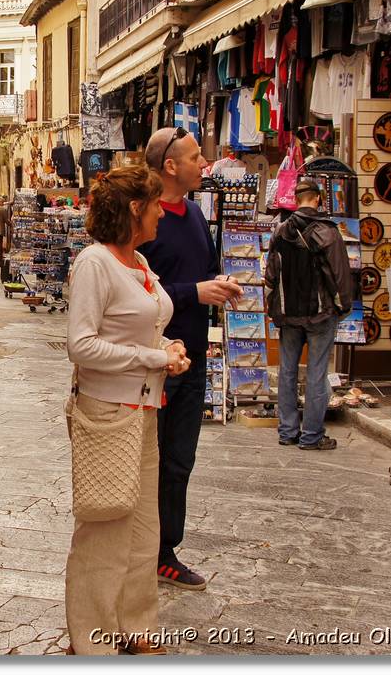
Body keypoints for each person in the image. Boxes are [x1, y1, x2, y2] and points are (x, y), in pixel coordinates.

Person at [65, 165, 190, 655]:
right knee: (104, 528)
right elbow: (81, 345)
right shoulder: (96, 263)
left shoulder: (137, 259)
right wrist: (153, 357)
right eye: (156, 204)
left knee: (142, 526)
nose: (163, 212)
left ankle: (137, 626)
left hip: (143, 408)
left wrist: (167, 347)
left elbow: (139, 327)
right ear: (136, 209)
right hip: (107, 412)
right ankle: (91, 639)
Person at [137, 127, 244, 591]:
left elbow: (199, 274)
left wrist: (219, 287)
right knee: (148, 461)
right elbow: (136, 291)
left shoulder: (198, 215)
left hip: (193, 359)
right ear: (169, 166)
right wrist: (193, 292)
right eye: (196, 155)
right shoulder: (143, 220)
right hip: (155, 361)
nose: (206, 162)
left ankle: (165, 550)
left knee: (180, 461)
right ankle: (142, 549)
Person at [263, 178, 356, 451]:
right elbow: (339, 275)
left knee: (287, 372)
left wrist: (273, 309)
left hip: (289, 314)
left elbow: (270, 275)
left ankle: (287, 431)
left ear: (296, 198)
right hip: (320, 314)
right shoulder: (328, 231)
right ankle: (312, 435)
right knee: (316, 374)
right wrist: (344, 306)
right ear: (317, 198)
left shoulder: (280, 232)